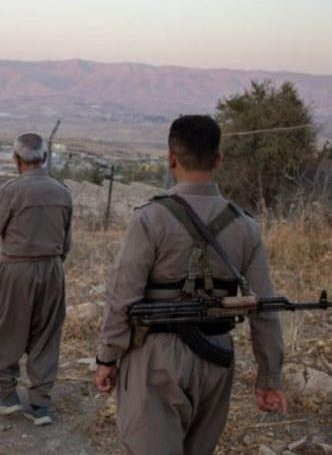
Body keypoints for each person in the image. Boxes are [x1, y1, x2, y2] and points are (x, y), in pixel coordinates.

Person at [94, 115, 286, 455]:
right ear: (218, 159)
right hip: (217, 355)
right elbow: (264, 309)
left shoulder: (150, 217)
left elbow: (122, 296)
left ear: (171, 158)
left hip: (155, 356)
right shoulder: (245, 226)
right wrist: (269, 378)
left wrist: (107, 357)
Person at [0, 132, 73, 426]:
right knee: (47, 334)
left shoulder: (13, 190)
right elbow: (66, 243)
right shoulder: (62, 192)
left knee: (5, 329)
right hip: (52, 269)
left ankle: (8, 396)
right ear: (44, 157)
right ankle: (40, 405)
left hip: (16, 269)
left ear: (16, 159)